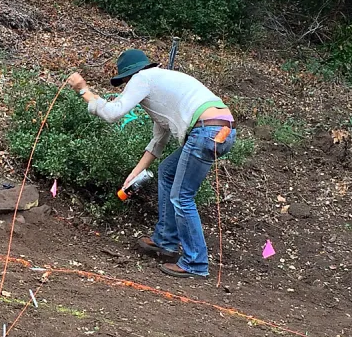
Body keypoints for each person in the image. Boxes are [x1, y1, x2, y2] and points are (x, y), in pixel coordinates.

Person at [66, 49, 235, 279]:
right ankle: (165, 241)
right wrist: (134, 174)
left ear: (129, 75)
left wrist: (83, 90)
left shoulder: (142, 78)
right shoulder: (161, 88)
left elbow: (112, 113)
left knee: (182, 196)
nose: (126, 87)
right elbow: (157, 143)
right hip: (222, 130)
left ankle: (196, 262)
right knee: (167, 172)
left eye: (124, 82)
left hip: (207, 130)